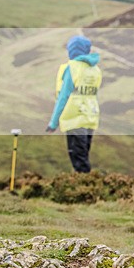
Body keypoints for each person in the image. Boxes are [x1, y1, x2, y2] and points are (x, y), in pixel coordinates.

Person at [46, 35, 102, 174]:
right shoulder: (95, 70)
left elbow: (63, 97)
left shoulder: (72, 68)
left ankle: (84, 190)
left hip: (74, 118)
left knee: (79, 160)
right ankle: (85, 187)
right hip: (90, 118)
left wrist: (53, 122)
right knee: (83, 155)